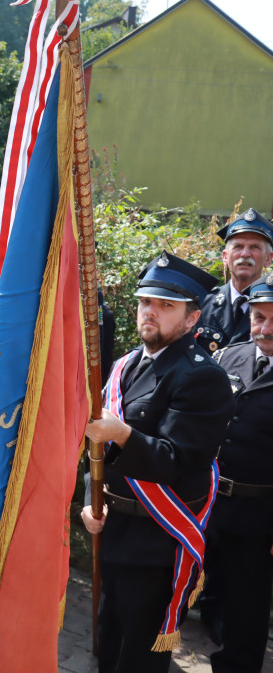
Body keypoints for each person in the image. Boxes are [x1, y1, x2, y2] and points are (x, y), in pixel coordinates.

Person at [81, 251, 234, 673]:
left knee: (139, 656)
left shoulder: (201, 376)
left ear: (191, 319)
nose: (151, 311)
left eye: (167, 305)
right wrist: (91, 498)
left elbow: (174, 460)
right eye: (146, 301)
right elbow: (95, 447)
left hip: (156, 542)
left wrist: (123, 434)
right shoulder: (126, 364)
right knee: (108, 642)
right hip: (114, 525)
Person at [205, 277, 273, 673]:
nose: (264, 329)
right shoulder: (228, 357)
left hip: (257, 514)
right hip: (209, 500)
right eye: (258, 317)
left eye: (272, 320)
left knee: (246, 606)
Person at [196, 208, 273, 354]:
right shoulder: (201, 304)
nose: (244, 254)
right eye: (238, 246)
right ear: (225, 257)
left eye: (255, 247)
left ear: (268, 258)